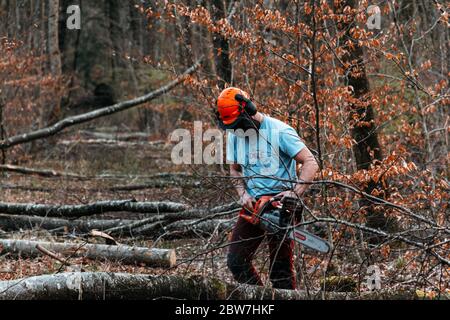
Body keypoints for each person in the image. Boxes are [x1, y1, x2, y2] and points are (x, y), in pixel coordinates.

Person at [216, 87, 319, 289]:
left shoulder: (280, 131)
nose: (237, 130)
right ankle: (260, 298)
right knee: (236, 262)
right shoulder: (234, 135)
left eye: (238, 124)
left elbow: (310, 162)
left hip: (282, 204)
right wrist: (242, 194)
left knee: (280, 271)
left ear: (249, 110)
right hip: (253, 202)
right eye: (232, 126)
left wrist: (294, 193)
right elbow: (234, 169)